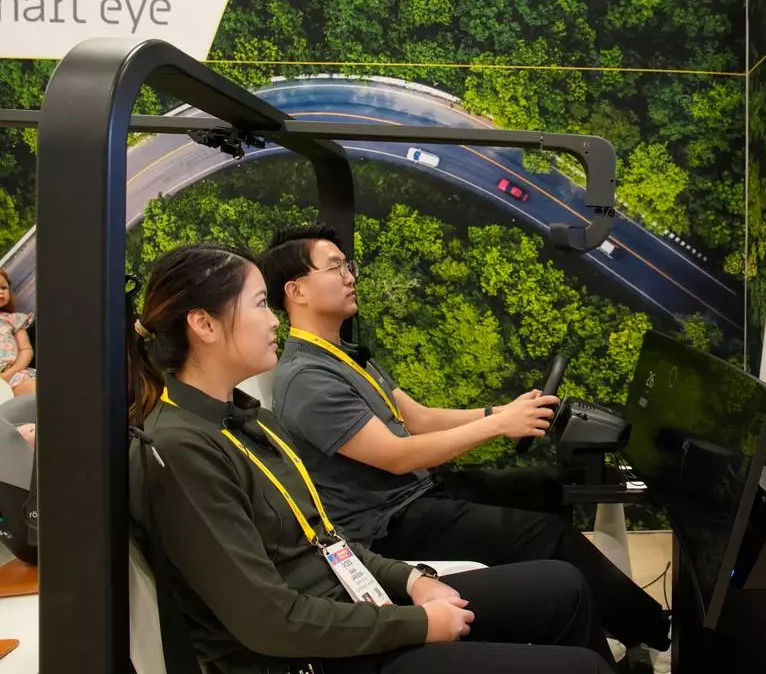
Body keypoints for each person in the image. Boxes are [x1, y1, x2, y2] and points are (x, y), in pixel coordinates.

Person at [127, 242, 616, 674]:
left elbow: (326, 537)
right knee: (583, 666)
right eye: (259, 304)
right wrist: (417, 624)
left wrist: (410, 579)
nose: (274, 319)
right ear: (204, 324)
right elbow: (271, 621)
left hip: (352, 606)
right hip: (314, 654)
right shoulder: (180, 450)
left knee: (564, 586)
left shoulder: (250, 419)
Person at [261, 225, 672, 653]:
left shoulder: (345, 354)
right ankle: (657, 631)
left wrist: (501, 412)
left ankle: (583, 621)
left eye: (347, 266)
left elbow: (419, 418)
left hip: (415, 493)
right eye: (335, 268)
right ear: (296, 290)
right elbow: (397, 455)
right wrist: (499, 425)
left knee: (546, 489)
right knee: (546, 534)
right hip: (386, 525)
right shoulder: (308, 378)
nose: (349, 277)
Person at [0, 268, 36, 396]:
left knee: (35, 390)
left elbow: (26, 350)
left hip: (13, 376)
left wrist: (10, 373)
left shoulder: (13, 320)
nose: (1, 292)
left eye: (4, 288)